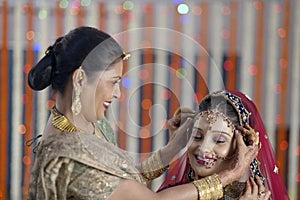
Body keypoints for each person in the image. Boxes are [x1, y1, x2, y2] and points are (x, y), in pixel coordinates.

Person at [28, 26, 259, 199]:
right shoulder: (68, 153)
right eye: (113, 82)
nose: (118, 93)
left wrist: (172, 150)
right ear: (80, 79)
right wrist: (230, 173)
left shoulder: (90, 124)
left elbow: (123, 184)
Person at [159, 90, 289, 200]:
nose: (203, 148)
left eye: (220, 140)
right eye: (197, 136)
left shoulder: (255, 196)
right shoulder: (177, 193)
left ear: (244, 145)